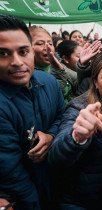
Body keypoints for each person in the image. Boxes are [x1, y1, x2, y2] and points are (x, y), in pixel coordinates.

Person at [48, 49, 102, 209]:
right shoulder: (79, 109)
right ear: (95, 81)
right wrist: (76, 138)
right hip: (76, 202)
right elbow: (55, 158)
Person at [0, 14, 65, 209]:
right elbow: (11, 174)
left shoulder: (50, 83)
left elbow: (62, 116)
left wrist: (52, 135)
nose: (17, 61)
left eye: (23, 51)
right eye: (3, 53)